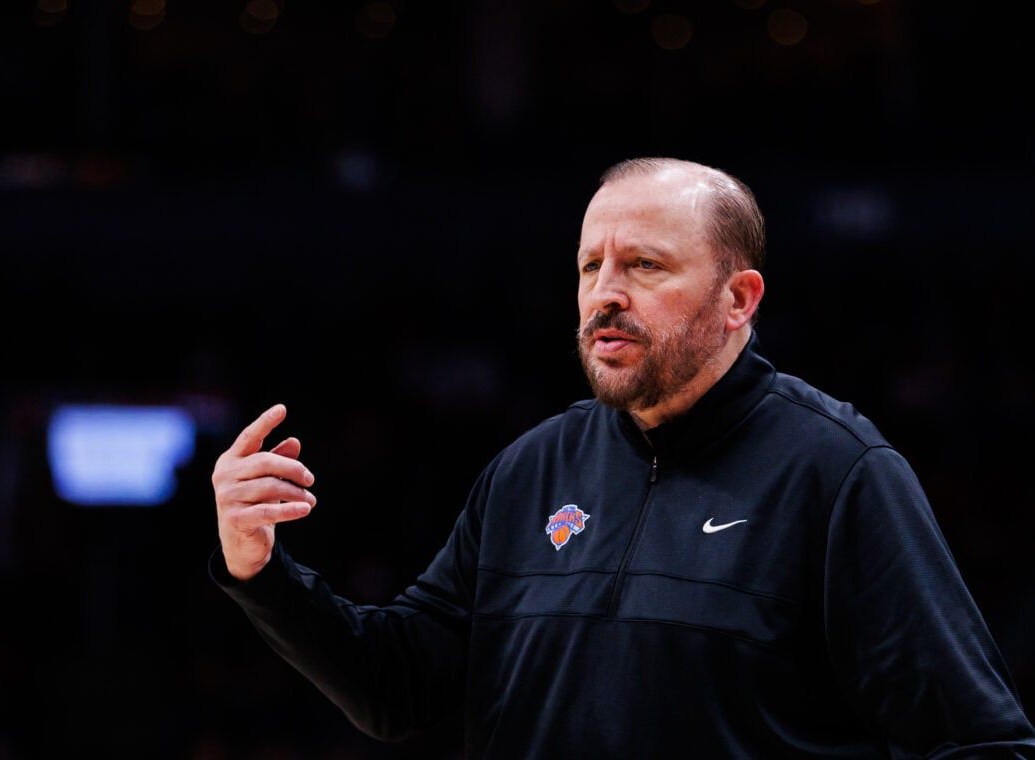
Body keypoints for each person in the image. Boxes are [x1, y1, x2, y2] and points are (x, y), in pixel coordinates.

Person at [209, 158, 1035, 757]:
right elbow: (394, 688)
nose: (606, 291)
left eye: (644, 265)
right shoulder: (530, 470)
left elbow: (976, 741)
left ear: (738, 300)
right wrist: (261, 572)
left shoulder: (838, 473)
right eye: (590, 265)